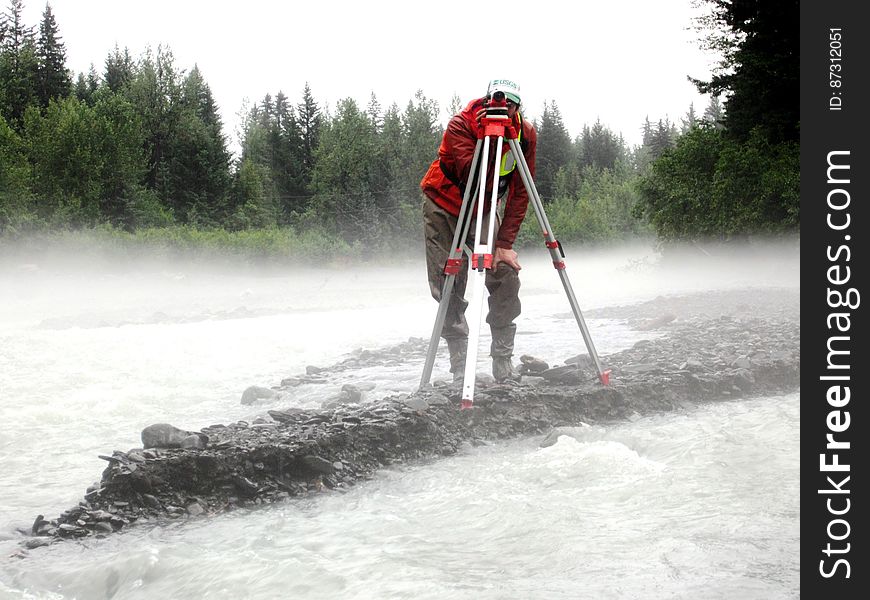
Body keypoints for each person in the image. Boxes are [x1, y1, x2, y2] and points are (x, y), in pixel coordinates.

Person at [420, 79, 537, 383]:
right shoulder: (461, 124)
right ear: (486, 101)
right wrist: (489, 134)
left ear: (517, 108)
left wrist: (505, 243)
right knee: (448, 280)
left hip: (483, 208)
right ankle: (461, 366)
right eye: (496, 102)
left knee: (505, 273)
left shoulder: (525, 135)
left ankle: (502, 360)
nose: (502, 110)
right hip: (443, 203)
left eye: (509, 106)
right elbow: (474, 179)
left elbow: (521, 190)